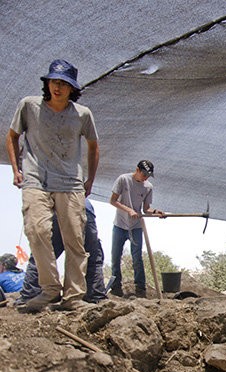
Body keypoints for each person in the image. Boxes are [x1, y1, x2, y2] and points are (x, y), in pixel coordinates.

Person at [6, 59, 99, 312]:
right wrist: (16, 170)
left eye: (64, 84)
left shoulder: (82, 115)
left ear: (72, 89)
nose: (57, 87)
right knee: (36, 231)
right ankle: (49, 289)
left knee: (75, 240)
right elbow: (13, 136)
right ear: (47, 83)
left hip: (70, 184)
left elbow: (93, 145)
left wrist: (89, 179)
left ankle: (74, 298)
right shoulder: (28, 106)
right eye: (54, 82)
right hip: (36, 180)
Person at [15, 199, 108, 305]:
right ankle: (95, 296)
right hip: (80, 208)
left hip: (55, 210)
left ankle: (31, 294)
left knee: (42, 255)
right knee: (91, 257)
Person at [109, 160, 165, 298]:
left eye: (148, 176)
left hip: (136, 227)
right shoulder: (123, 180)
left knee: (137, 259)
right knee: (115, 257)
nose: (145, 178)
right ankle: (116, 287)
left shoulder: (148, 187)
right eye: (144, 174)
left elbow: (146, 209)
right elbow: (113, 201)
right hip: (120, 225)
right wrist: (129, 210)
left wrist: (156, 211)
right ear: (137, 170)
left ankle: (140, 288)